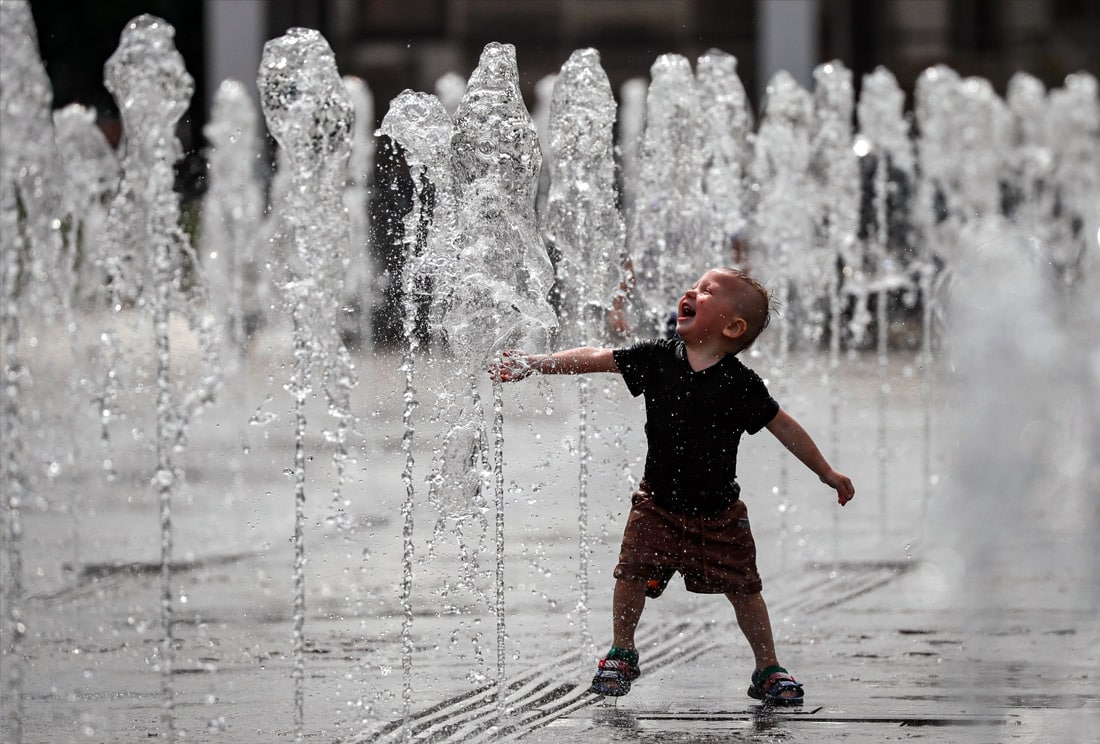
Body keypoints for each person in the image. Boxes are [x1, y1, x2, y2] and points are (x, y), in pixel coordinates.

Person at [488, 267, 855, 706]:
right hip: (657, 504)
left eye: (707, 292)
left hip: (719, 512)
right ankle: (621, 652)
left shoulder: (742, 385)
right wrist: (534, 364)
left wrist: (825, 472)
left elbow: (784, 426)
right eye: (696, 286)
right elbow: (596, 357)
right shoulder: (657, 358)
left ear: (732, 327)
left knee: (745, 590)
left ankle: (768, 667)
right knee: (631, 574)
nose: (691, 292)